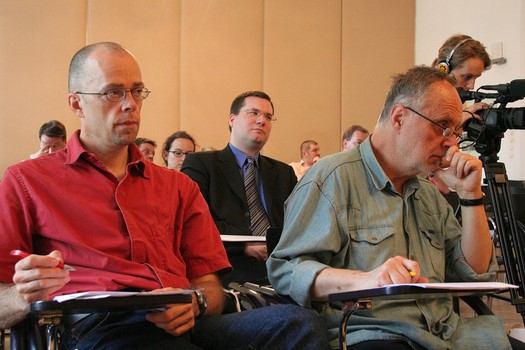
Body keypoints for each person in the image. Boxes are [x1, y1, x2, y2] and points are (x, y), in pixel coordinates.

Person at [0, 42, 330, 350]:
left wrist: (195, 302)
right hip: (97, 326)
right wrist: (23, 295)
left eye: (137, 91)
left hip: (178, 322)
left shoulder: (177, 187)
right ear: (77, 103)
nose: (130, 103)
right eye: (113, 92)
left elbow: (211, 288)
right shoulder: (29, 181)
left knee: (300, 325)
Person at [267, 66, 513, 349]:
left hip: (447, 334)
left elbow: (474, 271)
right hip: (374, 335)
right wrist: (367, 280)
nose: (451, 143)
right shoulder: (333, 179)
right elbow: (287, 271)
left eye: (456, 131)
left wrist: (470, 196)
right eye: (443, 126)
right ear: (399, 117)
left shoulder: (427, 195)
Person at [181, 91, 297, 287]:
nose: (262, 121)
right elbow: (193, 222)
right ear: (232, 119)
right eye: (253, 113)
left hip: (282, 265)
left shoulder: (283, 173)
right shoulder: (201, 164)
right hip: (227, 264)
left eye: (268, 117)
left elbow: (297, 223)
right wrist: (244, 246)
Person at [430, 34, 492, 194]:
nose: (471, 86)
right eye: (467, 77)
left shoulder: (457, 103)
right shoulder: (421, 99)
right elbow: (427, 158)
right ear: (444, 68)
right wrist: (457, 122)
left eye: (476, 78)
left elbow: (442, 161)